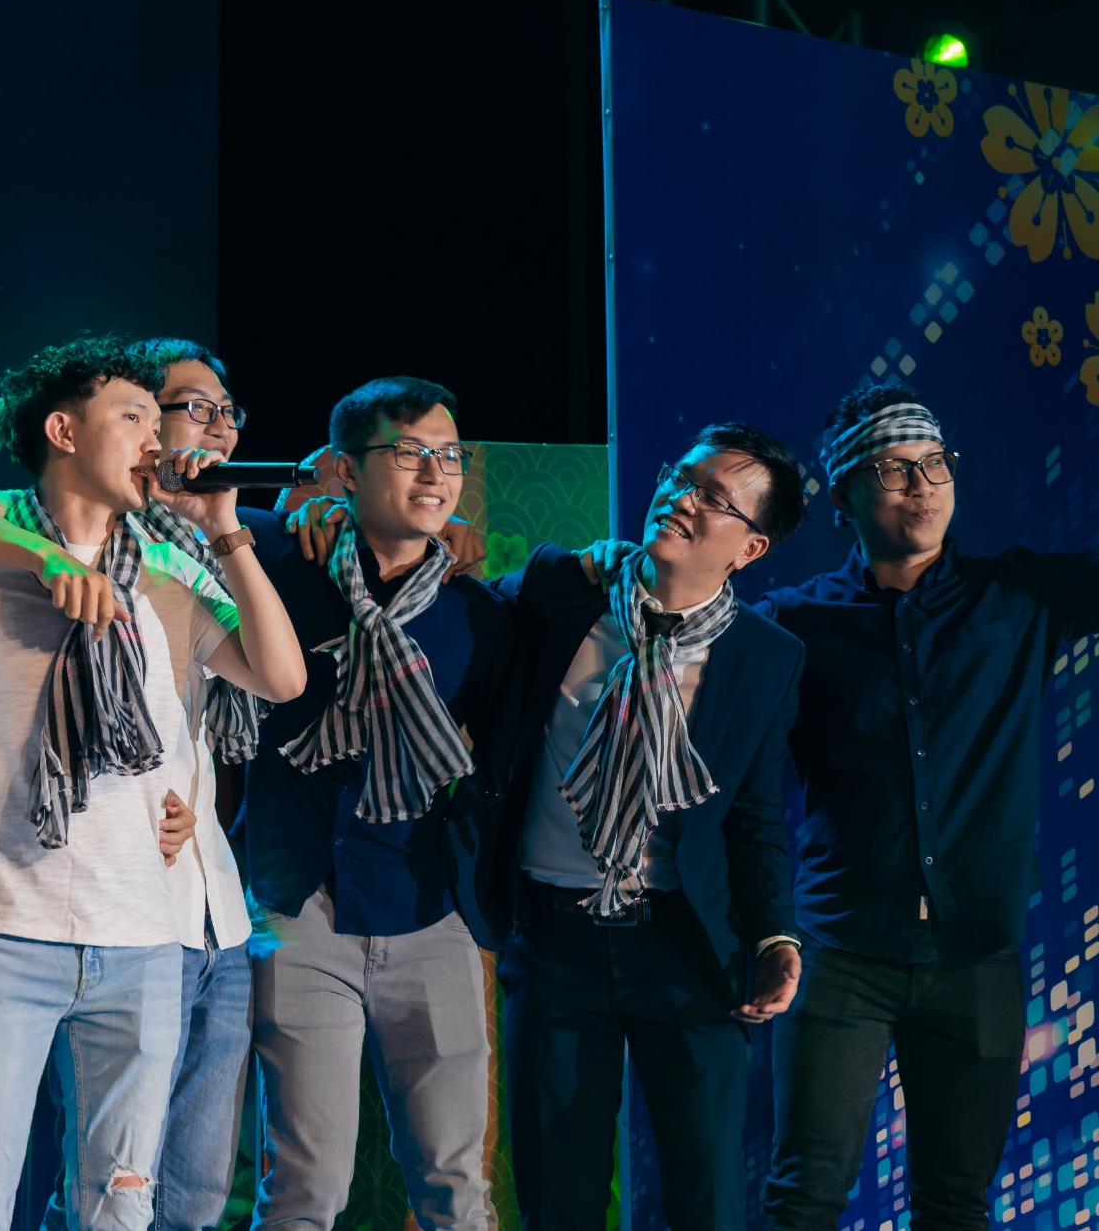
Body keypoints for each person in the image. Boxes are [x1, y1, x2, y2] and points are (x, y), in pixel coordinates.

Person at [0, 335, 305, 1231]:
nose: (155, 440)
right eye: (133, 417)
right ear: (63, 431)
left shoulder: (167, 574)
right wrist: (51, 562)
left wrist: (225, 530)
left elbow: (282, 678)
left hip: (142, 938)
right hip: (3, 925)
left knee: (122, 1205)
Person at [755, 383, 1099, 1229]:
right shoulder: (792, 626)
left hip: (975, 951)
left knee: (955, 1202)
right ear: (844, 496)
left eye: (935, 463)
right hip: (842, 949)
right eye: (893, 468)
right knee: (804, 1196)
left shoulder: (1018, 597)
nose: (922, 485)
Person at [501, 424, 807, 1231]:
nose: (681, 499)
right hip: (555, 940)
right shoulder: (562, 589)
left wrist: (777, 935)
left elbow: (753, 816)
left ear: (751, 548)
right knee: (557, 1198)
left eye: (714, 498)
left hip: (687, 945)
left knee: (708, 1198)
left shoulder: (767, 656)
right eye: (682, 477)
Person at [237, 377, 514, 1231]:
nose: (435, 474)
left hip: (428, 912)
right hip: (301, 905)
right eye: (408, 453)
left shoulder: (477, 613)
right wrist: (301, 504)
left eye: (450, 457)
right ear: (346, 470)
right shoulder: (278, 568)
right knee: (305, 1187)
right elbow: (189, 511)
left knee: (456, 1189)